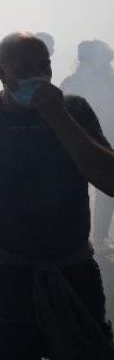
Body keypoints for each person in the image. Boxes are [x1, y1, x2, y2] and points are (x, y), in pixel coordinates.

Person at [0, 32, 114, 359]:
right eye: (24, 69)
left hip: (74, 270)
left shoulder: (74, 110)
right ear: (0, 74)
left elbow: (109, 180)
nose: (37, 76)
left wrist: (60, 119)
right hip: (4, 278)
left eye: (44, 67)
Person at [62, 40, 114, 247]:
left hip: (105, 137)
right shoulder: (73, 83)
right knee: (76, 188)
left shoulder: (107, 81)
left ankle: (98, 239)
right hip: (81, 140)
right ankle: (81, 239)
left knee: (105, 190)